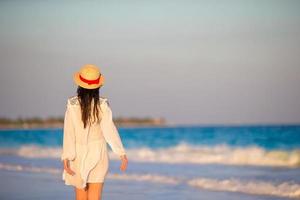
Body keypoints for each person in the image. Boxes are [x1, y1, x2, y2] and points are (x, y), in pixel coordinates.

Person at [61, 64, 128, 200]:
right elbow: (109, 130)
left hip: (77, 156)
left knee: (81, 197)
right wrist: (121, 153)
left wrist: (66, 157)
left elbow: (69, 133)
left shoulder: (72, 105)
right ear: (98, 86)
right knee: (95, 197)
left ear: (79, 84)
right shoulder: (102, 105)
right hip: (99, 154)